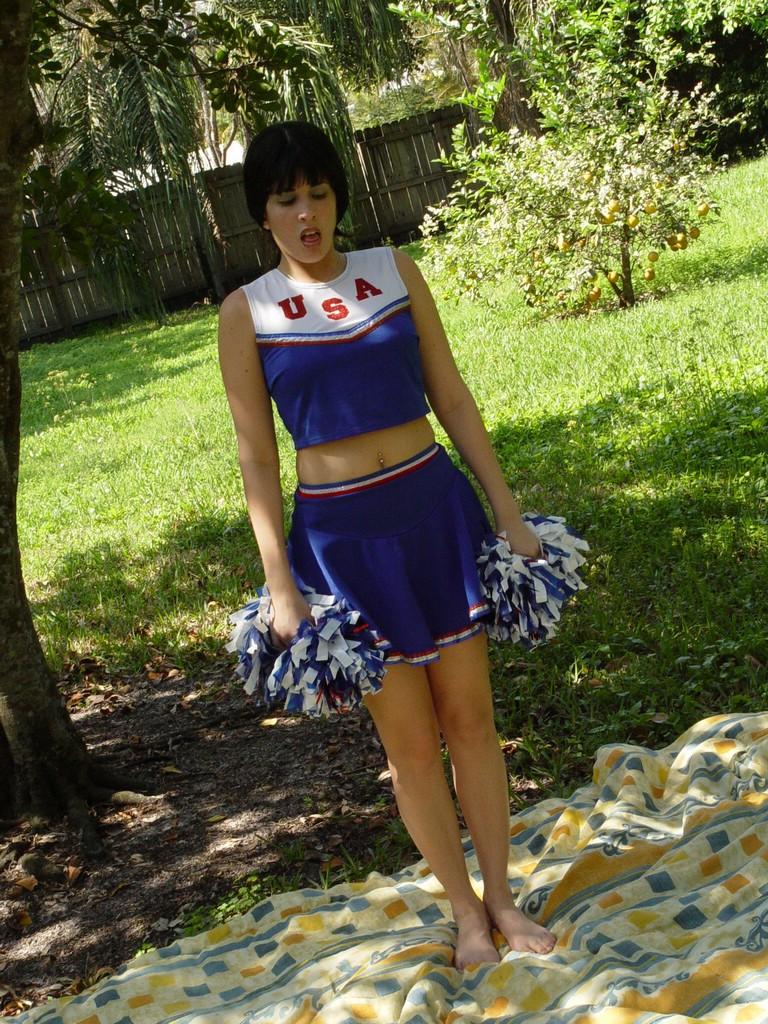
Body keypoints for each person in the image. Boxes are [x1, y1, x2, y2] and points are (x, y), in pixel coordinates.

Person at [218, 120, 557, 969]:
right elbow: (257, 457)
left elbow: (452, 396)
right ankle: (466, 915)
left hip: (435, 518)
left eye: (319, 193)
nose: (307, 214)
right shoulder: (247, 311)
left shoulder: (393, 271)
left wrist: (507, 511)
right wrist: (280, 583)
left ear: (339, 196)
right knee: (409, 748)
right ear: (262, 213)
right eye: (286, 200)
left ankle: (504, 899)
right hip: (343, 544)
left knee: (471, 720)